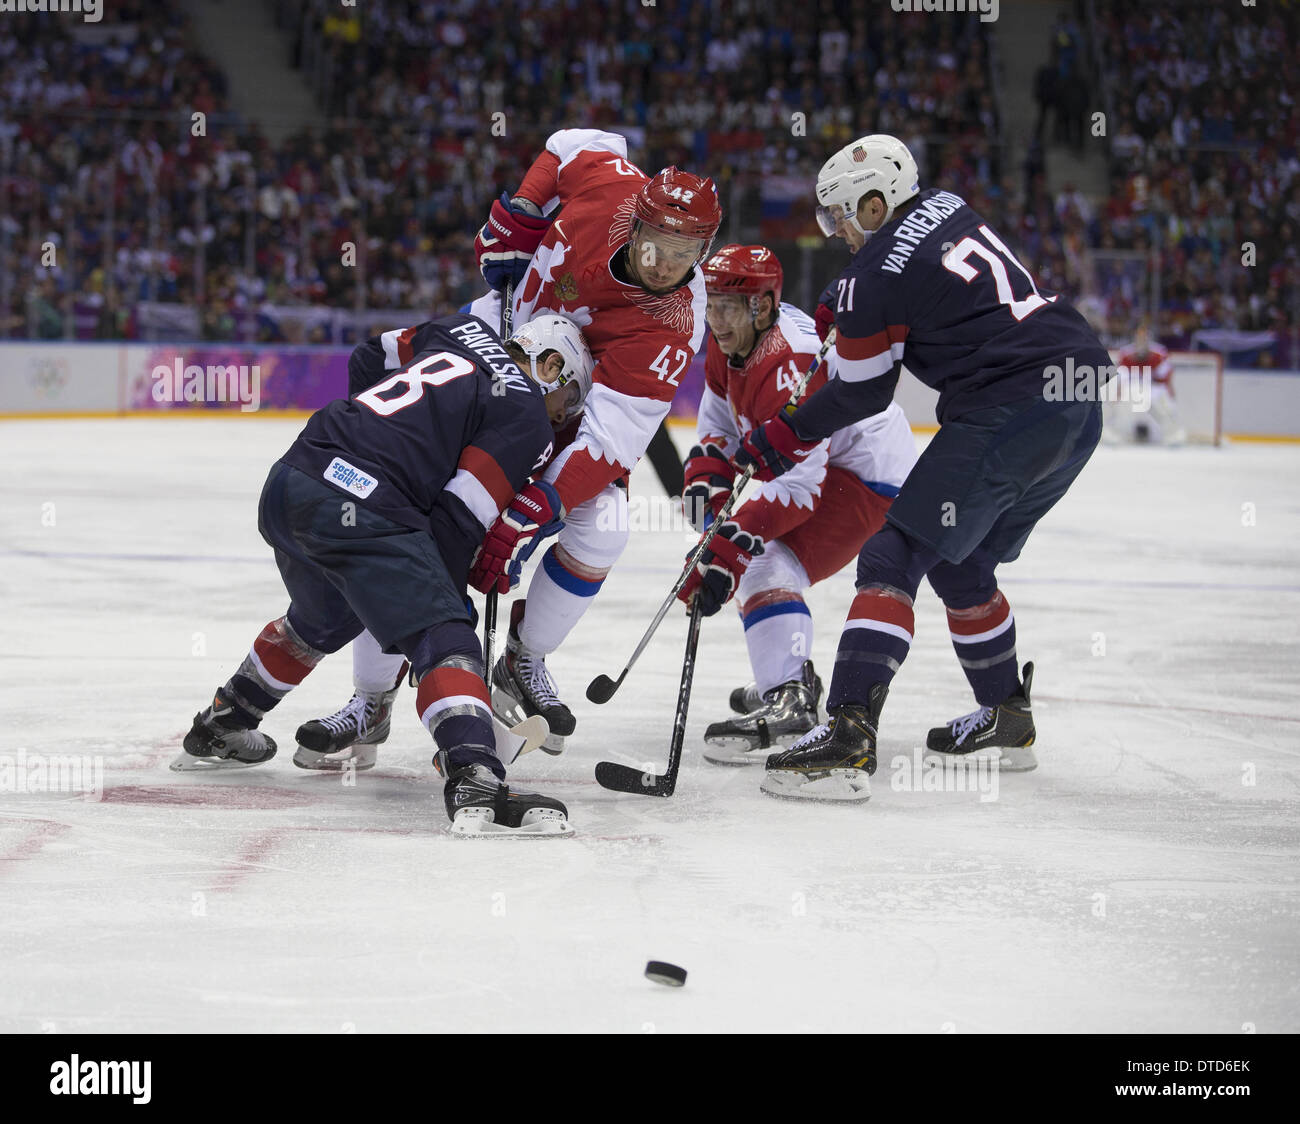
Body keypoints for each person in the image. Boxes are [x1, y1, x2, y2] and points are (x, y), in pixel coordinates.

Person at [295, 129, 721, 759]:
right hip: (496, 338)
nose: (664, 263)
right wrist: (521, 211)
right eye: (656, 243)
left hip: (562, 410)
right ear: (637, 223)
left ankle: (524, 657)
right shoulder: (612, 187)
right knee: (405, 519)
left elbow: (608, 440)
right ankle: (371, 699)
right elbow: (574, 142)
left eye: (684, 253)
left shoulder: (673, 325)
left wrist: (526, 515)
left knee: (603, 528)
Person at [736, 135, 1109, 802]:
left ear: (874, 204)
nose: (837, 231)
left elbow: (860, 392)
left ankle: (848, 735)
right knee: (960, 564)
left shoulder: (869, 274)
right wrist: (848, 309)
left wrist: (780, 437)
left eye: (839, 215)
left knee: (892, 554)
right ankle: (1006, 714)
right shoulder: (946, 204)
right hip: (1076, 397)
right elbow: (923, 292)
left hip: (1012, 402)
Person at [173, 312, 594, 836]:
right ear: (550, 365)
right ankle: (474, 772)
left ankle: (225, 722)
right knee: (443, 632)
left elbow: (369, 357)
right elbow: (458, 519)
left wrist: (387, 442)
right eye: (568, 399)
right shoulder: (528, 413)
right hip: (362, 500)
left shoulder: (458, 330)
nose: (561, 416)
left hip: (296, 474)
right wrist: (441, 605)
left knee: (323, 617)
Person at [675, 244, 915, 763]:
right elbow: (718, 416)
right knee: (744, 553)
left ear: (762, 307)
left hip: (865, 474)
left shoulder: (791, 364)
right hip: (832, 465)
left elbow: (799, 492)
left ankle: (790, 698)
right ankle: (786, 676)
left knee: (761, 562)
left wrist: (728, 546)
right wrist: (707, 482)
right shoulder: (732, 337)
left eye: (726, 307)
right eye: (708, 304)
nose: (714, 319)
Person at [1108, 320, 1184, 444]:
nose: (1142, 339)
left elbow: (1165, 378)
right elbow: (1122, 379)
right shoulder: (1126, 354)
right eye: (1139, 335)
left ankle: (1173, 434)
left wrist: (1170, 395)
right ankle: (1115, 433)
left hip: (1153, 389)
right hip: (1133, 391)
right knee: (1120, 406)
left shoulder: (1159, 353)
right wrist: (1117, 396)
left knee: (1166, 406)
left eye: (1144, 335)